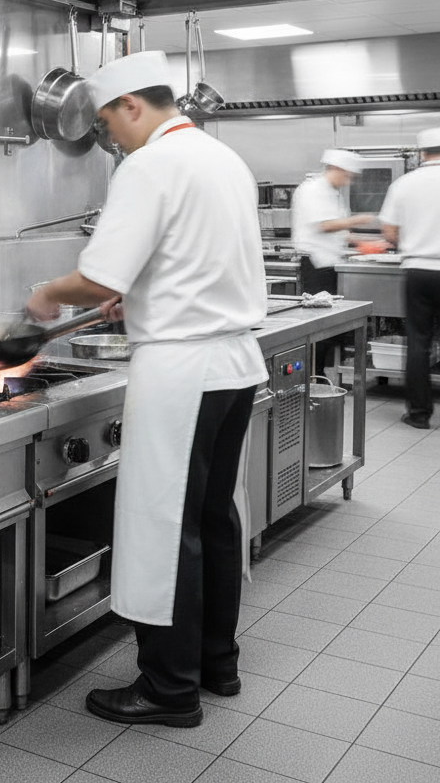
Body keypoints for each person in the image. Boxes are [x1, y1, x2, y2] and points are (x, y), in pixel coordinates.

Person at [25, 50, 268, 729]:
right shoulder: (222, 158)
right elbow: (196, 259)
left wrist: (47, 293)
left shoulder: (150, 165)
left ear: (132, 105)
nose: (111, 140)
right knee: (214, 519)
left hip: (182, 371)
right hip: (233, 364)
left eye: (108, 125)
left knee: (165, 526)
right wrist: (138, 294)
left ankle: (168, 688)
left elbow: (97, 278)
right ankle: (216, 663)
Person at [378, 126, 440, 430]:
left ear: (421, 153)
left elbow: (389, 231)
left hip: (418, 270)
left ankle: (418, 414)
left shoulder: (404, 183)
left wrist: (412, 239)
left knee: (418, 342)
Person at [291, 150, 375, 296]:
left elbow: (340, 232)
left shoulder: (334, 194)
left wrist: (371, 241)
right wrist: (358, 220)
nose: (348, 182)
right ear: (336, 169)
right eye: (347, 176)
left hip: (330, 264)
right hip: (316, 265)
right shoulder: (312, 189)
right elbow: (324, 226)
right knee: (319, 306)